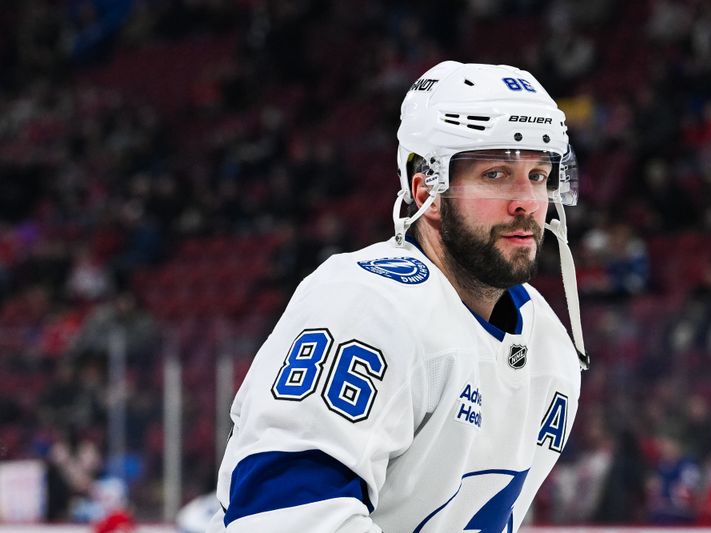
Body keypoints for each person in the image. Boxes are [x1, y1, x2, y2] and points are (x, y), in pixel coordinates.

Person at [208, 60, 587, 532]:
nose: (527, 201)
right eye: (494, 174)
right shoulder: (367, 305)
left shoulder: (550, 349)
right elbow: (283, 519)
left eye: (537, 175)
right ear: (425, 188)